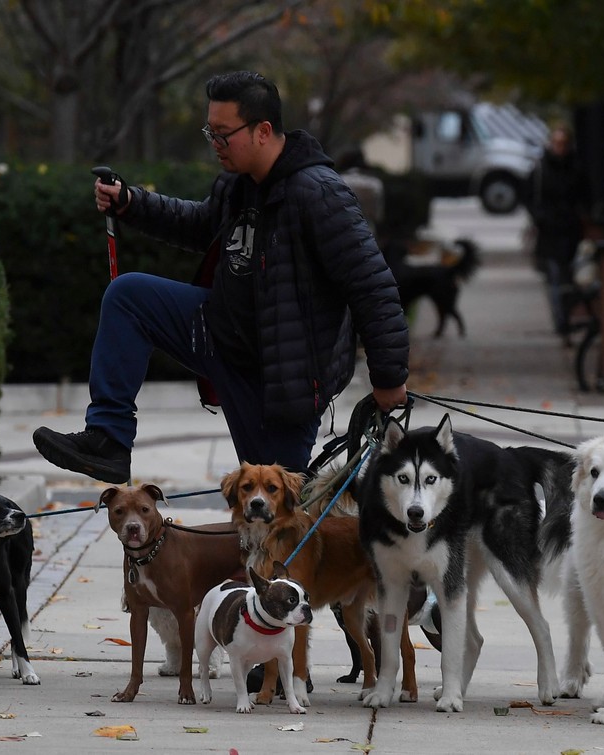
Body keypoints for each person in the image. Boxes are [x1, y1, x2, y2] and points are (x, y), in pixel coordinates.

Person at [32, 71, 409, 483]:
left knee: (275, 511)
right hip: (219, 332)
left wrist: (389, 378)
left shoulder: (320, 194)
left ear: (263, 131)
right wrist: (129, 202)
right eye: (209, 131)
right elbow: (199, 225)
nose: (215, 144)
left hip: (282, 381)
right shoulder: (237, 183)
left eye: (224, 134)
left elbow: (372, 287)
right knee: (128, 297)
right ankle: (108, 439)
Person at [527, 123, 591, 342]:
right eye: (556, 143)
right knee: (556, 278)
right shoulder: (541, 170)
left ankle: (567, 317)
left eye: (563, 144)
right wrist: (540, 218)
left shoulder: (577, 168)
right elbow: (530, 197)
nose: (559, 148)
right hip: (550, 231)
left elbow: (585, 196)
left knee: (570, 278)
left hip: (571, 231)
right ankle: (561, 322)